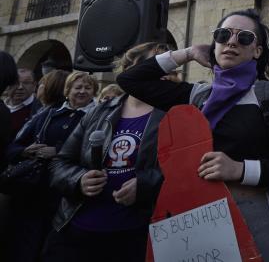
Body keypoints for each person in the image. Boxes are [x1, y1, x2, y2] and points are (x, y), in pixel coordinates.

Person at [116, 12, 269, 260]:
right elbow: (130, 79)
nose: (231, 42)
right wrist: (187, 53)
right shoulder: (197, 96)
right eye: (223, 35)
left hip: (253, 216)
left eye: (245, 37)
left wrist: (240, 169)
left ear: (257, 51)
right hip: (195, 217)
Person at [44, 43, 168, 262]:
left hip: (134, 237)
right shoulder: (100, 111)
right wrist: (78, 179)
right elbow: (60, 163)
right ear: (129, 68)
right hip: (76, 231)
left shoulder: (172, 114)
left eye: (165, 63)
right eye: (151, 63)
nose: (159, 68)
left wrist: (147, 185)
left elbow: (184, 170)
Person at [7, 71, 97, 262]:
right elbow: (13, 147)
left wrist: (57, 152)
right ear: (67, 91)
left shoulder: (99, 118)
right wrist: (27, 151)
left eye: (87, 88)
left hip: (67, 196)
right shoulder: (47, 115)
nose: (82, 92)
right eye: (77, 87)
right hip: (34, 191)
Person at [5, 68, 42, 136]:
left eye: (26, 83)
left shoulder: (40, 110)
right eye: (15, 83)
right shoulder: (2, 106)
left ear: (34, 85)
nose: (20, 87)